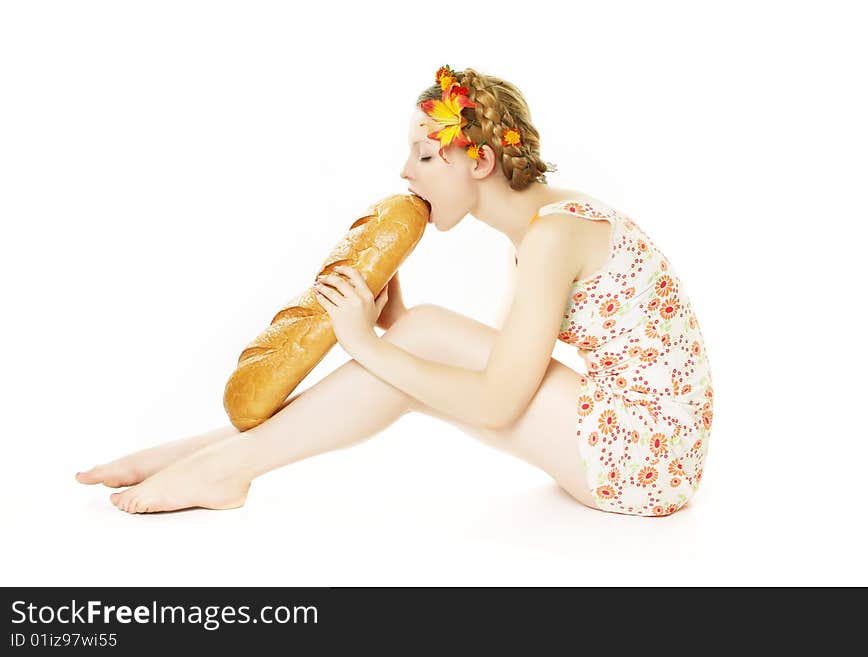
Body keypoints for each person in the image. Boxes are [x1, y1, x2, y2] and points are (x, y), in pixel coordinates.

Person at [75, 65, 713, 517]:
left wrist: (368, 344)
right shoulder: (543, 230)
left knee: (423, 337)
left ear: (480, 162)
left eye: (425, 155)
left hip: (643, 460)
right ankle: (211, 453)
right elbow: (491, 368)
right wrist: (392, 327)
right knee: (423, 334)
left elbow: (495, 402)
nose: (406, 171)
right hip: (639, 444)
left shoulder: (554, 236)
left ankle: (222, 468)